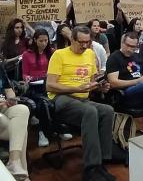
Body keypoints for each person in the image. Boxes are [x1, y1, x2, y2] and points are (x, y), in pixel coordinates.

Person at [46, 26, 115, 181]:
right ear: (72, 40)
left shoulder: (90, 54)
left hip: (82, 99)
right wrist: (76, 88)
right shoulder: (59, 54)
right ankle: (91, 168)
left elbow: (91, 81)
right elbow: (50, 85)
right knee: (90, 112)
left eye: (87, 42)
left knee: (107, 110)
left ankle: (102, 161)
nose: (84, 46)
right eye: (81, 42)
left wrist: (100, 87)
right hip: (61, 98)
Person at [0, 84, 30, 181]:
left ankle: (14, 161)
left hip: (3, 110)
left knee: (23, 109)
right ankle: (24, 176)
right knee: (21, 129)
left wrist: (12, 100)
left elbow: (9, 92)